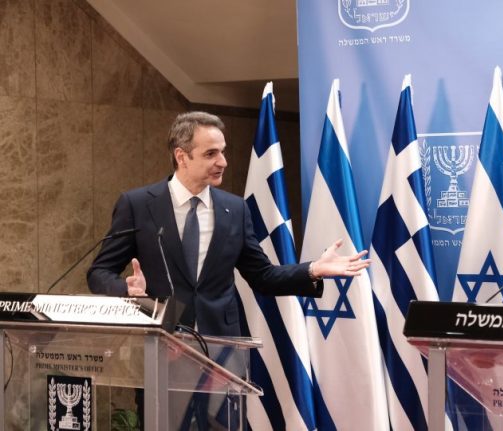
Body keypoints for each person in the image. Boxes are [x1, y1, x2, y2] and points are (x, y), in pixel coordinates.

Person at [88, 111, 369, 335]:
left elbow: (262, 276)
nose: (223, 162)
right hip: (160, 341)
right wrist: (127, 290)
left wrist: (313, 269)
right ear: (181, 156)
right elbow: (99, 272)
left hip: (222, 346)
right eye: (211, 154)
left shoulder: (235, 209)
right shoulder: (138, 205)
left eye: (223, 152)